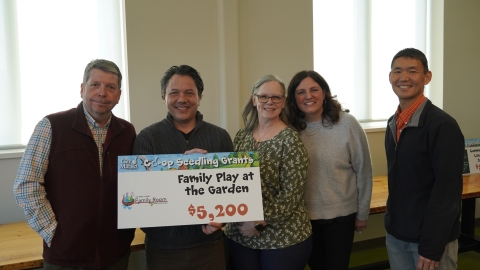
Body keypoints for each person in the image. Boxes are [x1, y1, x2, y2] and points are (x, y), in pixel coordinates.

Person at [13, 59, 136, 269]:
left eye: (110, 87)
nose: (102, 92)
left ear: (119, 95)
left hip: (115, 255)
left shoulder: (128, 132)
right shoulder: (52, 126)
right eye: (95, 85)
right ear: (82, 89)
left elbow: (139, 183)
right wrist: (55, 234)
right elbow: (26, 185)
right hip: (65, 258)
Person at [132, 65, 234, 270]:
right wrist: (179, 170)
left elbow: (232, 191)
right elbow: (138, 199)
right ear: (164, 96)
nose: (182, 99)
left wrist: (222, 221)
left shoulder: (220, 137)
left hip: (210, 246)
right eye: (174, 93)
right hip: (163, 250)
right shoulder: (147, 138)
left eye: (189, 93)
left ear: (199, 97)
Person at [384, 48, 464, 270]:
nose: (404, 77)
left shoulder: (442, 126)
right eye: (397, 71)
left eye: (413, 71)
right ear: (390, 77)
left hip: (430, 242)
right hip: (397, 236)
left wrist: (432, 245)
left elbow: (447, 193)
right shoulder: (393, 123)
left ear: (427, 77)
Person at [286, 70, 373, 270]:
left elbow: (364, 171)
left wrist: (363, 213)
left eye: (314, 89)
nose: (308, 96)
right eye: (301, 92)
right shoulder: (289, 129)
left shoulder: (347, 124)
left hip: (340, 216)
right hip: (304, 217)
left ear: (324, 93)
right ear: (294, 98)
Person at [224, 74, 312, 270]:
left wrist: (256, 222)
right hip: (240, 234)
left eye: (276, 97)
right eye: (263, 96)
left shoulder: (290, 140)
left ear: (283, 102)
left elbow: (291, 196)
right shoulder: (242, 136)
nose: (269, 102)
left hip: (282, 238)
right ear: (254, 100)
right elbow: (230, 181)